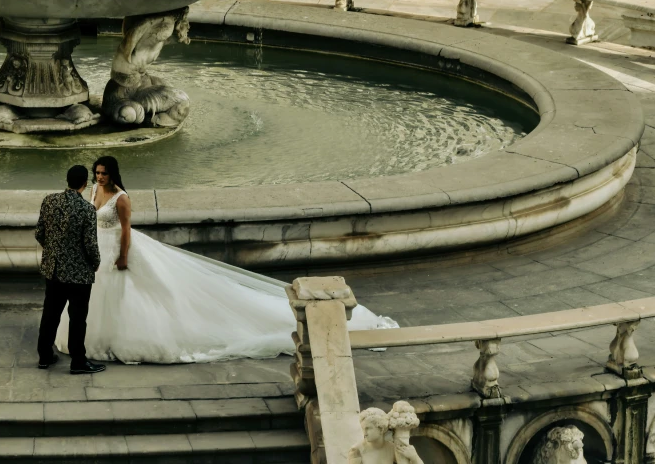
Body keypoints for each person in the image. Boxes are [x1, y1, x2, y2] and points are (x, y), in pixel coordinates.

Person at [55, 156, 397, 364]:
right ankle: (90, 340)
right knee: (93, 298)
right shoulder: (93, 192)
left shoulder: (122, 198)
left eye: (103, 174)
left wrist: (123, 257)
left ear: (113, 174)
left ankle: (117, 339)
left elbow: (126, 230)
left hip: (118, 251)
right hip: (95, 252)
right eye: (96, 173)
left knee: (133, 297)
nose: (99, 178)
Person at [35, 165, 106, 374]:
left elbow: (39, 232)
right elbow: (90, 243)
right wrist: (95, 262)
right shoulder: (86, 209)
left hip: (53, 270)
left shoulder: (49, 200)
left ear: (67, 180)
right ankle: (78, 362)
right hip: (78, 274)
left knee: (50, 314)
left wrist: (53, 251)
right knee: (77, 318)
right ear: (85, 183)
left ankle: (44, 357)